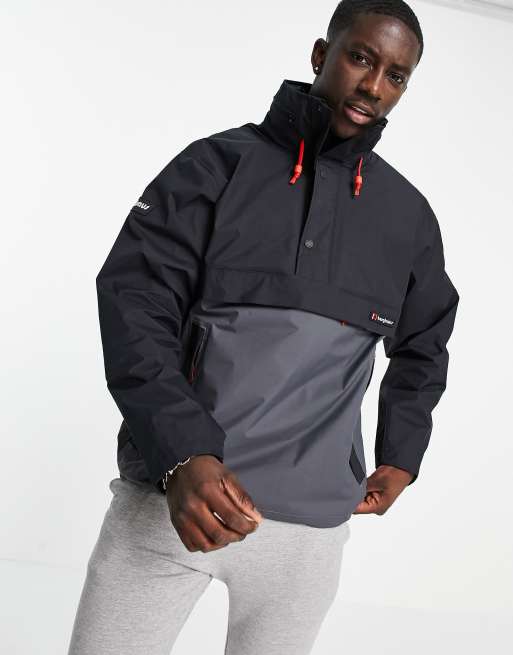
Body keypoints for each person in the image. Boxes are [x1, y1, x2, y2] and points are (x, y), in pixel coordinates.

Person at [67, 1, 459, 653]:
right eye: (360, 58)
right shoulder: (214, 166)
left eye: (395, 76)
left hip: (307, 536)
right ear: (321, 55)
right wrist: (183, 453)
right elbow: (135, 305)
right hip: (174, 501)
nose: (373, 86)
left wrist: (401, 453)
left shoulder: (406, 216)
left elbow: (426, 340)